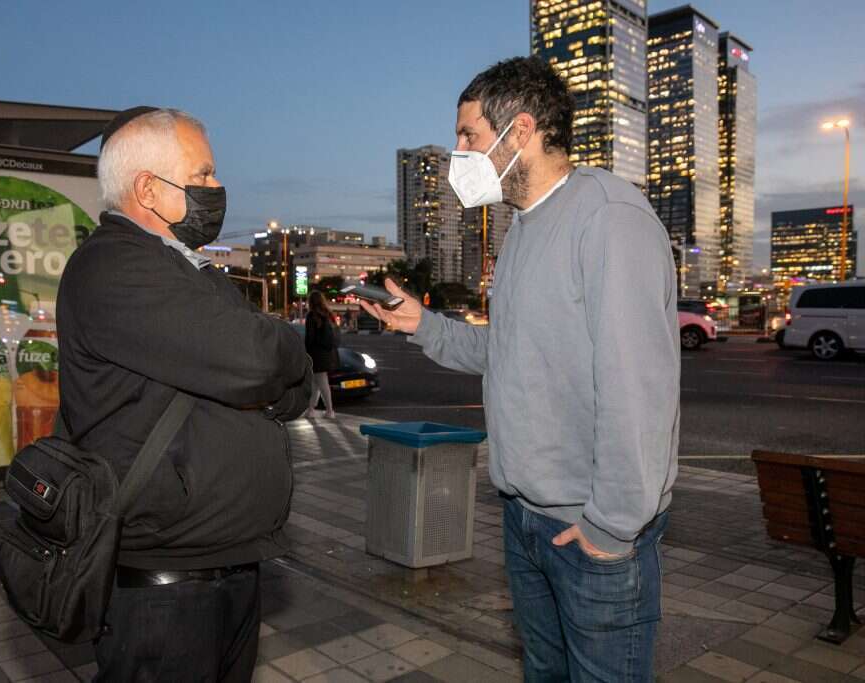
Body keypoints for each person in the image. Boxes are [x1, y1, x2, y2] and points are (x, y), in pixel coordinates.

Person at [360, 57, 680, 682]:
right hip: (526, 519)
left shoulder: (609, 220)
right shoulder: (521, 233)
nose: (459, 151)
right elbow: (505, 352)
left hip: (591, 533)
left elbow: (638, 389)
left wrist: (611, 529)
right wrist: (422, 324)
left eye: (469, 135)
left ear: (522, 130)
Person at [57, 107, 312, 682]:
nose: (217, 189)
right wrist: (267, 363)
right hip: (163, 590)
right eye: (201, 176)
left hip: (228, 567)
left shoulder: (189, 271)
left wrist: (264, 371)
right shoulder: (111, 267)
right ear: (147, 188)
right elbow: (258, 357)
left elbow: (288, 388)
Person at [304, 290, 339, 419]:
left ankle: (330, 411)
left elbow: (310, 338)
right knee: (316, 382)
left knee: (321, 382)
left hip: (316, 354)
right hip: (328, 353)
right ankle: (311, 409)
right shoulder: (329, 315)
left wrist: (306, 352)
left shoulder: (311, 316)